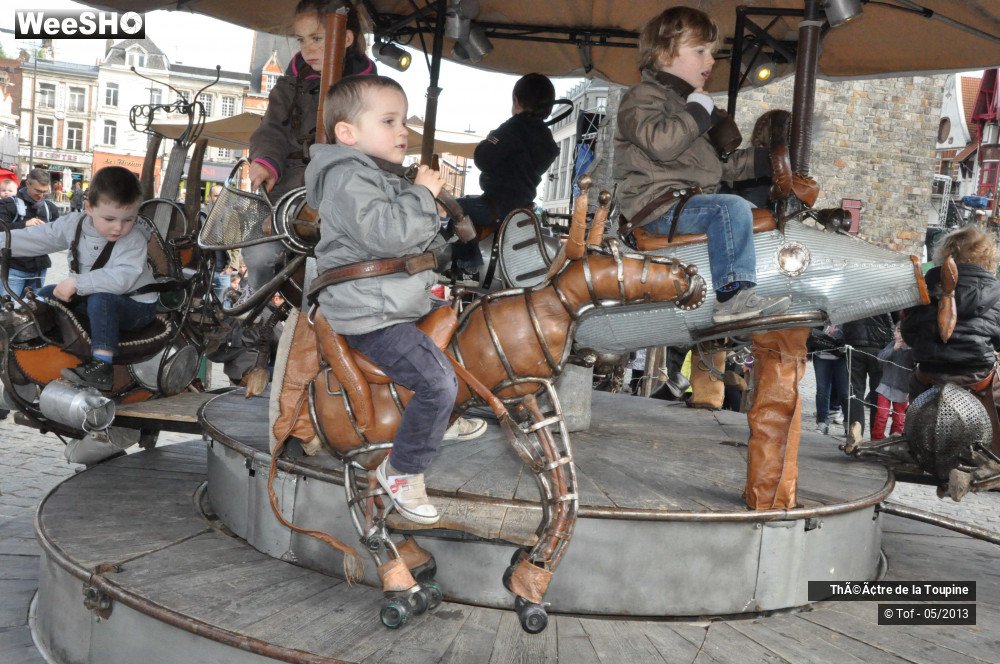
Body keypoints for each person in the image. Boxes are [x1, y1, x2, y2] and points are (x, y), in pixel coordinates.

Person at [305, 75, 464, 525]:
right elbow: (389, 235)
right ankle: (403, 470)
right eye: (389, 121)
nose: (402, 131)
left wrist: (430, 209)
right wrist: (423, 195)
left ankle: (438, 419)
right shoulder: (347, 177)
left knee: (470, 330)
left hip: (392, 300)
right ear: (347, 132)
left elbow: (406, 236)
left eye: (404, 121)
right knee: (437, 383)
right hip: (371, 312)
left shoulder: (374, 175)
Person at [613, 6, 790, 324]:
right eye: (700, 51)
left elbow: (718, 166)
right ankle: (733, 296)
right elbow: (662, 144)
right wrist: (696, 113)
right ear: (665, 52)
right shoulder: (641, 98)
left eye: (712, 52)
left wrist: (767, 160)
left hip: (686, 204)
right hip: (657, 207)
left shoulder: (690, 107)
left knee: (751, 214)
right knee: (731, 209)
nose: (711, 60)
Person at [246, 0, 377, 292]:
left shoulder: (370, 90)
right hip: (291, 188)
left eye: (317, 38)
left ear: (345, 38)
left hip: (345, 192)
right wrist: (265, 161)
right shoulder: (292, 81)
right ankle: (256, 301)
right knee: (258, 254)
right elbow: (272, 126)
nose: (307, 48)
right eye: (302, 40)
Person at [0, 166, 156, 391]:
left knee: (102, 300)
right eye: (110, 218)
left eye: (128, 219)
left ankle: (102, 365)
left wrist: (78, 282)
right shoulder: (74, 224)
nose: (119, 227)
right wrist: (3, 242)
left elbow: (123, 277)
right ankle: (30, 351)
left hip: (136, 305)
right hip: (93, 296)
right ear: (89, 207)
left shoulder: (134, 239)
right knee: (46, 294)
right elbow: (38, 237)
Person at [452, 73, 560, 280]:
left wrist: (489, 140)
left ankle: (468, 263)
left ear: (516, 101)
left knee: (457, 206)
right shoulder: (546, 138)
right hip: (522, 205)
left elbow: (483, 158)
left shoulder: (514, 127)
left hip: (497, 204)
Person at [901, 226, 1000, 412]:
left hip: (930, 377)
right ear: (988, 258)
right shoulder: (997, 293)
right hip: (977, 378)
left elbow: (909, 334)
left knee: (915, 405)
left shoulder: (924, 288)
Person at [7, 169, 61, 296]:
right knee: (9, 306)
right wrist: (24, 224)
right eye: (38, 191)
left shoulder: (50, 208)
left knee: (36, 306)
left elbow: (59, 233)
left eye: (44, 191)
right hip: (15, 267)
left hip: (40, 268)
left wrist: (49, 230)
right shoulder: (9, 204)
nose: (41, 195)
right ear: (28, 184)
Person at [841, 313, 893, 442]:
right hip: (879, 345)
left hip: (855, 343)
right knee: (877, 393)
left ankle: (856, 434)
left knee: (856, 392)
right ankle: (876, 436)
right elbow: (896, 316)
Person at [871, 324, 912, 440]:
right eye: (897, 331)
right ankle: (876, 440)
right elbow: (880, 358)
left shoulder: (912, 349)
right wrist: (894, 349)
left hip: (903, 389)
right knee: (882, 415)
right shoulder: (891, 345)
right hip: (886, 386)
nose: (899, 334)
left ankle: (894, 441)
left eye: (902, 332)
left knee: (899, 419)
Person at [807, 324, 848, 435]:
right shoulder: (821, 315)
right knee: (822, 390)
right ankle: (822, 422)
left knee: (844, 392)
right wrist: (809, 349)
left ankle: (848, 423)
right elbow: (811, 327)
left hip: (843, 355)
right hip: (821, 353)